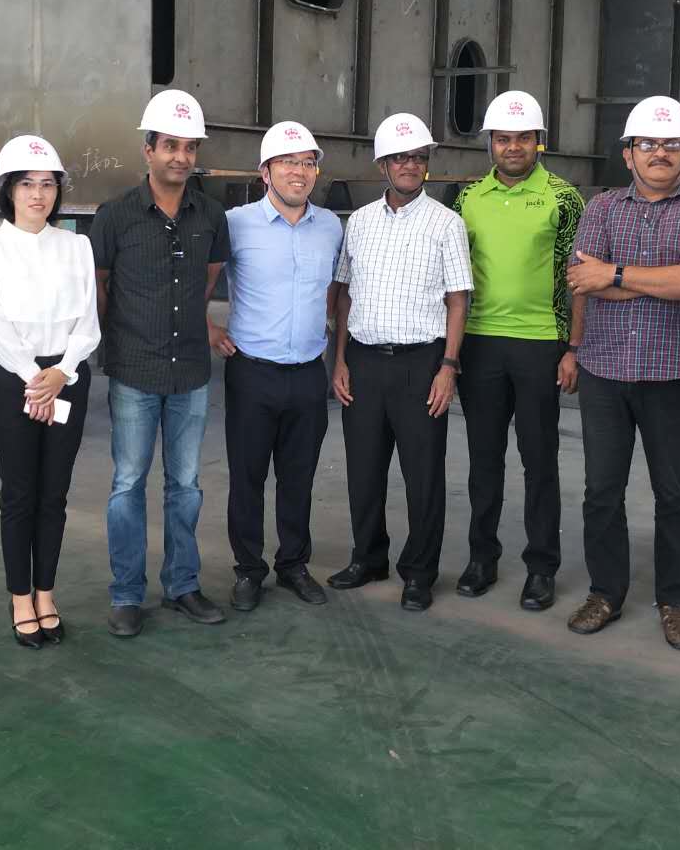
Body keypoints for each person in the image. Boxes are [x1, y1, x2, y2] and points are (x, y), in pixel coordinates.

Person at [564, 96, 680, 651]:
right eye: (648, 144)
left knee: (674, 493)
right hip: (604, 370)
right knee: (601, 490)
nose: (660, 153)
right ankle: (605, 593)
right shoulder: (601, 208)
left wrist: (614, 274)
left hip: (675, 373)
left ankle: (675, 602)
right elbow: (581, 282)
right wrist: (661, 282)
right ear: (628, 154)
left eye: (671, 144)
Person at [90, 89, 231, 637]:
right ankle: (127, 594)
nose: (181, 156)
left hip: (190, 370)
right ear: (148, 150)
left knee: (186, 484)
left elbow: (206, 282)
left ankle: (182, 585)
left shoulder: (211, 216)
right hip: (134, 370)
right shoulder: (115, 216)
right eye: (170, 145)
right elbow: (101, 288)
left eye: (189, 147)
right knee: (128, 483)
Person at [328, 113, 473, 612]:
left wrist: (448, 366)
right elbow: (345, 295)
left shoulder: (446, 224)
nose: (410, 165)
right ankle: (368, 558)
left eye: (417, 157)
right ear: (382, 165)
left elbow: (458, 299)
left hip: (421, 363)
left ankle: (419, 573)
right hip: (364, 361)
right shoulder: (360, 223)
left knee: (423, 474)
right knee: (363, 469)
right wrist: (340, 361)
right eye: (399, 158)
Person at [451, 91, 584, 612]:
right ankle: (481, 559)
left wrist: (572, 348)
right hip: (481, 344)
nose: (512, 147)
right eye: (503, 139)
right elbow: (453, 277)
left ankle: (541, 568)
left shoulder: (563, 198)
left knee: (539, 461)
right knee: (483, 460)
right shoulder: (467, 199)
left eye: (522, 138)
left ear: (538, 141)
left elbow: (579, 281)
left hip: (540, 345)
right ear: (490, 142)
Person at [0, 135, 100, 650]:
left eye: (47, 184)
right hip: (12, 378)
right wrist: (34, 379)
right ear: (8, 190)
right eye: (27, 184)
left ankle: (46, 591)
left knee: (54, 493)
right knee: (19, 493)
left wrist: (61, 372)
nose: (38, 194)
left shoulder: (76, 246)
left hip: (67, 377)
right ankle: (20, 597)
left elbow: (88, 321)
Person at [210, 121, 343, 612]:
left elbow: (336, 291)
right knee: (247, 477)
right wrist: (208, 328)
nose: (299, 172)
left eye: (308, 163)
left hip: (308, 372)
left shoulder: (330, 227)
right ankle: (249, 569)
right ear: (264, 172)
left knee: (298, 476)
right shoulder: (235, 223)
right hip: (252, 372)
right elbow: (198, 279)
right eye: (287, 162)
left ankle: (293, 564)